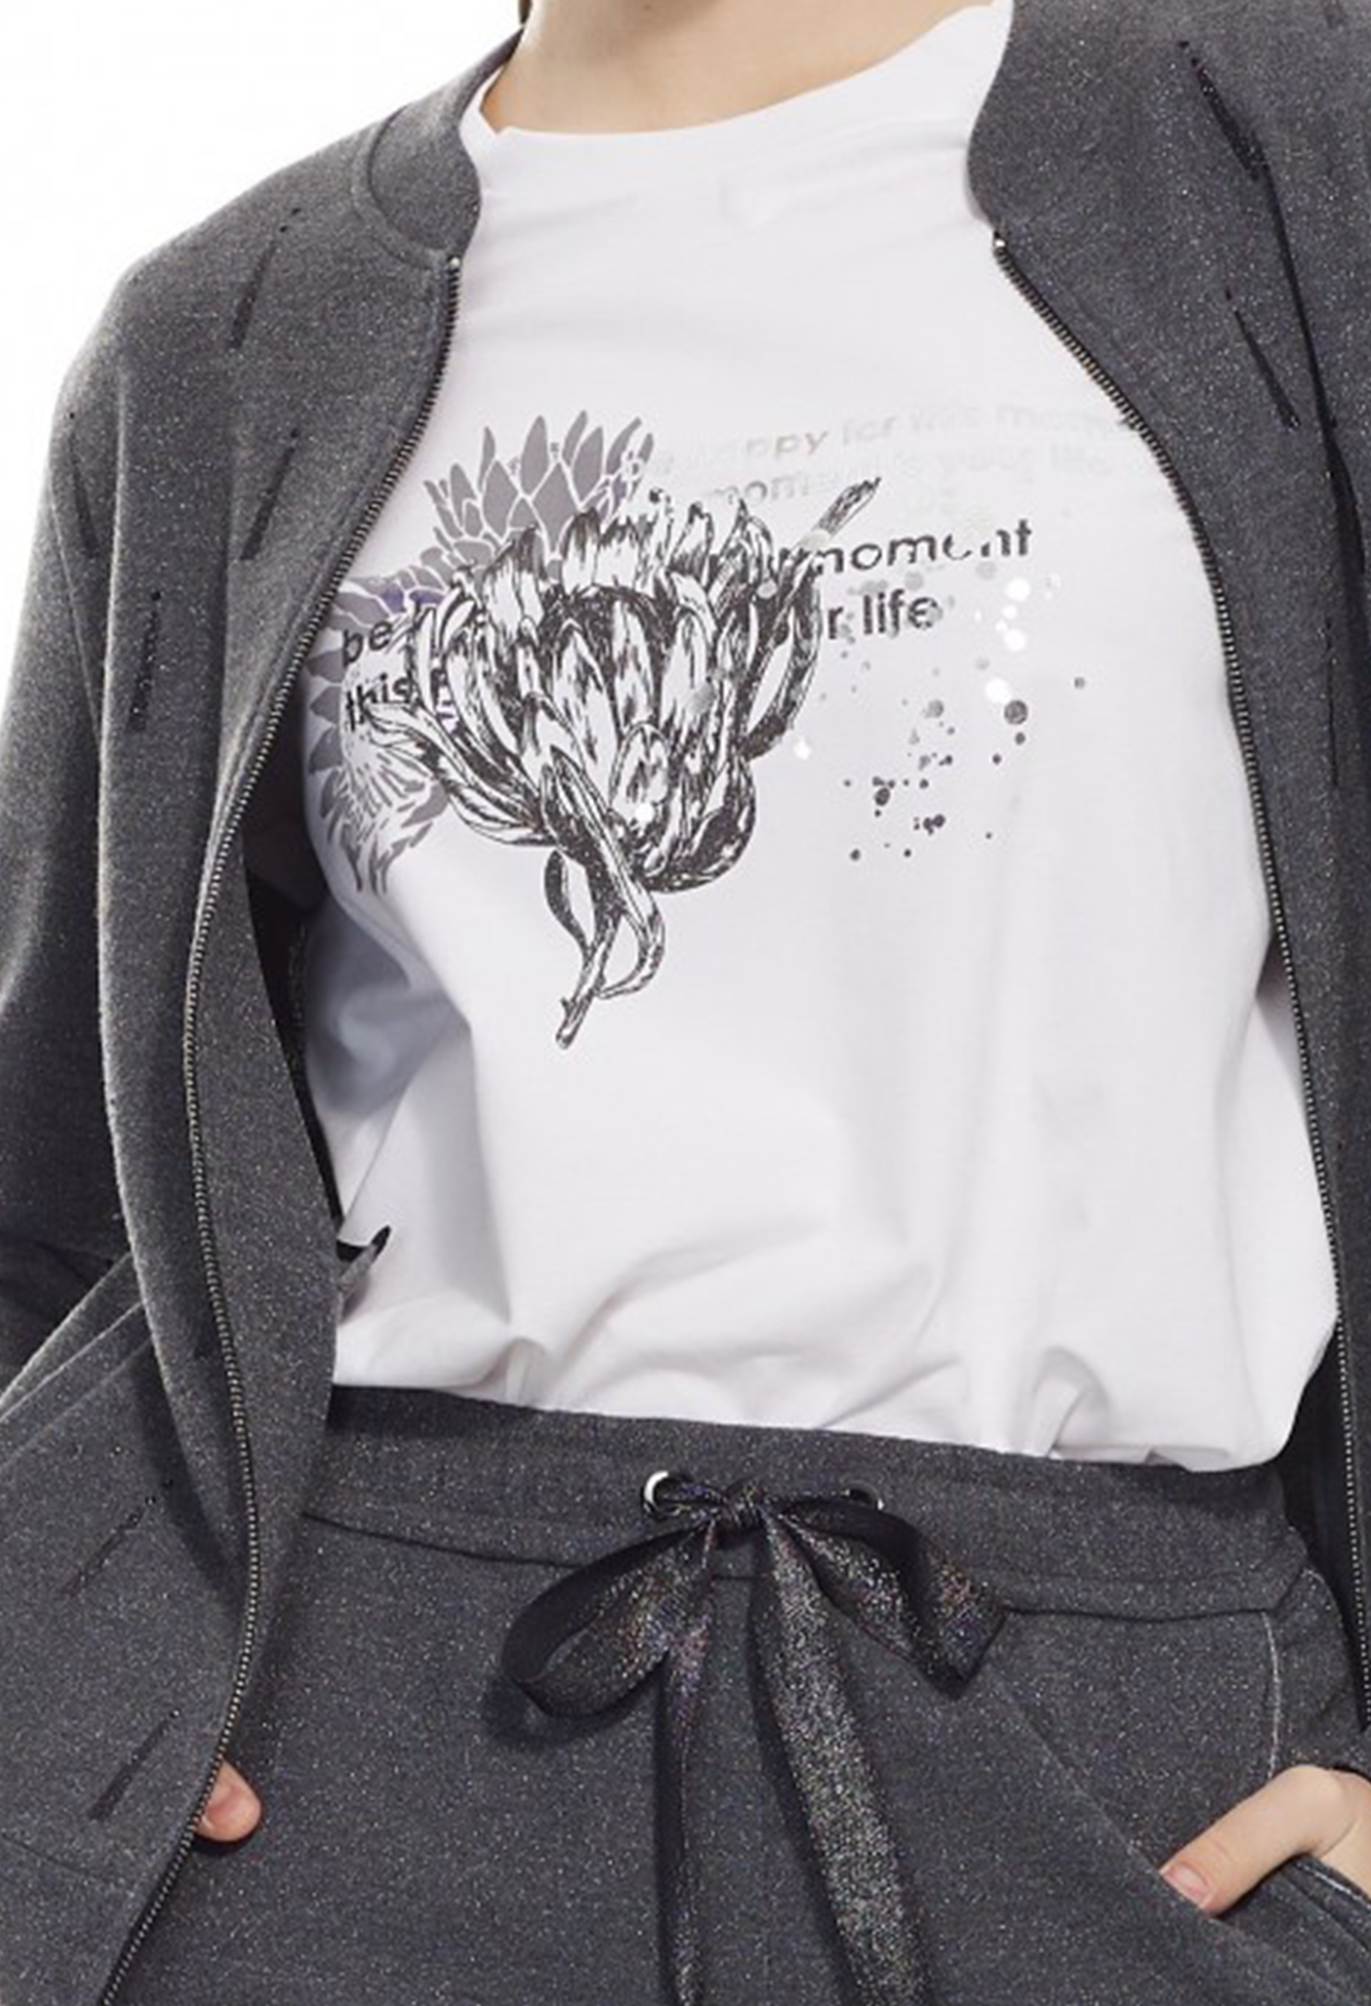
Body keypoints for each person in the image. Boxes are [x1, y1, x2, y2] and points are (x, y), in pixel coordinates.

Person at [7, 0, 1371, 2000]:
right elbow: (60, 1197)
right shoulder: (223, 332)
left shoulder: (1283, 136)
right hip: (345, 1760)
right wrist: (73, 1702)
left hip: (1130, 1766)